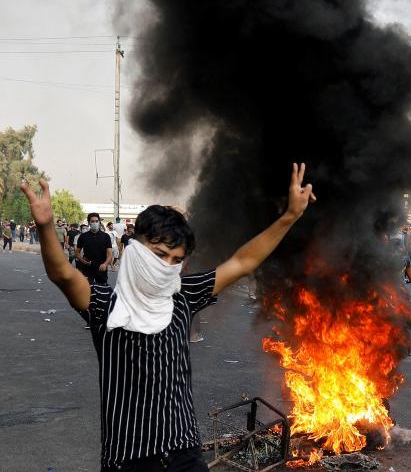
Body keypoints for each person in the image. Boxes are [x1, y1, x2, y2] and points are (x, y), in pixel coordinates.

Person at [20, 163, 315, 471]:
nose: (166, 267)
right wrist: (45, 226)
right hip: (128, 459)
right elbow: (63, 275)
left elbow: (242, 262)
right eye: (160, 254)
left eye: (175, 260)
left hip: (184, 453)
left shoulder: (183, 294)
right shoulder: (106, 306)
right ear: (135, 247)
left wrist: (290, 216)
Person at [76, 213, 113, 285]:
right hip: (87, 266)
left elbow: (110, 254)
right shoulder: (83, 236)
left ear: (99, 222)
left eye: (96, 221)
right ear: (89, 223)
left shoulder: (106, 236)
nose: (94, 223)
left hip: (101, 266)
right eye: (92, 221)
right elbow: (77, 252)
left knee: (102, 289)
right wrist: (82, 261)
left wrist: (105, 264)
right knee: (88, 290)